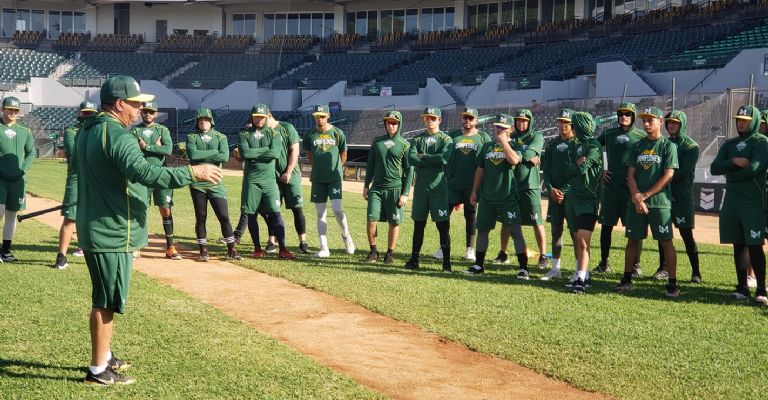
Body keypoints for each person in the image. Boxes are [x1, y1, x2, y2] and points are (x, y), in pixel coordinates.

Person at [76, 75, 222, 385]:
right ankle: (98, 370)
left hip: (97, 224)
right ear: (119, 104)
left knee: (105, 296)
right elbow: (143, 172)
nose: (140, 110)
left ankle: (105, 354)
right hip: (110, 230)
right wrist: (192, 171)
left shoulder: (89, 131)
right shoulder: (117, 135)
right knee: (106, 301)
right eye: (135, 104)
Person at [615, 106, 679, 298]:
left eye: (651, 119)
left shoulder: (668, 146)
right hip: (636, 202)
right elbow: (630, 175)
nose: (646, 123)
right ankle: (627, 279)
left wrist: (644, 196)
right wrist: (636, 196)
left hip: (659, 202)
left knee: (666, 242)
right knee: (633, 240)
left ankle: (672, 283)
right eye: (644, 120)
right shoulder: (638, 145)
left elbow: (668, 175)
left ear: (661, 121)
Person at [709, 105, 768, 305]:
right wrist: (733, 161)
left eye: (745, 120)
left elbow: (755, 168)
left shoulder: (762, 142)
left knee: (755, 245)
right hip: (732, 202)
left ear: (755, 122)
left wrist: (731, 175)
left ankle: (761, 289)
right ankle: (742, 287)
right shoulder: (730, 144)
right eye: (738, 120)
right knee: (738, 244)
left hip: (752, 203)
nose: (741, 123)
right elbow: (715, 167)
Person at [465, 114, 527, 275]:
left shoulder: (517, 145)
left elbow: (514, 160)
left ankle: (523, 268)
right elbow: (480, 169)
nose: (499, 130)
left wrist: (504, 142)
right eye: (498, 127)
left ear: (511, 130)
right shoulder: (487, 147)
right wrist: (474, 191)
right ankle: (478, 265)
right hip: (487, 197)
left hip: (507, 197)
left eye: (503, 128)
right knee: (483, 230)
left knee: (515, 231)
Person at [595, 102, 646, 275]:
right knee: (606, 227)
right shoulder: (608, 134)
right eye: (621, 114)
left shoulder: (641, 136)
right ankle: (604, 263)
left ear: (633, 116)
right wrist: (601, 170)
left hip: (630, 191)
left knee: (634, 229)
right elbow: (592, 149)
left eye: (628, 114)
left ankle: (635, 265)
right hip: (610, 189)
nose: (624, 117)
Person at [239, 104, 295, 260]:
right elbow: (244, 153)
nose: (259, 120)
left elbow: (275, 153)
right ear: (252, 116)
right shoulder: (244, 134)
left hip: (270, 181)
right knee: (251, 214)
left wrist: (254, 153)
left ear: (267, 117)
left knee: (275, 213)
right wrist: (264, 151)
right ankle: (257, 248)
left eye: (262, 117)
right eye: (256, 116)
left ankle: (283, 249)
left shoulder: (274, 133)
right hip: (251, 180)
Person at [651, 110, 701, 283]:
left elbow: (683, 173)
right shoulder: (663, 143)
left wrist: (662, 177)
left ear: (682, 124)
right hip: (664, 195)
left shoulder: (691, 146)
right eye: (669, 122)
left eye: (675, 123)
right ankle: (663, 268)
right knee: (663, 233)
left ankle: (696, 272)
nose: (671, 125)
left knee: (687, 235)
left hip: (681, 196)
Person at [186, 108, 241, 261]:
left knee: (224, 216)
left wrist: (204, 156)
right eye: (200, 119)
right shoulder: (191, 137)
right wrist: (213, 153)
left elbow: (224, 156)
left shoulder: (220, 137)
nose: (203, 121)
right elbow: (193, 155)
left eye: (206, 119)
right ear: (197, 122)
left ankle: (232, 249)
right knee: (201, 217)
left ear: (211, 121)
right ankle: (203, 250)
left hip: (216, 183)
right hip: (197, 184)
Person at [130, 100, 181, 260]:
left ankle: (170, 247)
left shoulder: (162, 129)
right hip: (142, 176)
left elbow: (168, 150)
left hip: (160, 175)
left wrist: (147, 147)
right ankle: (137, 246)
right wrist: (155, 147)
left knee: (165, 210)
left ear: (156, 114)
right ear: (141, 112)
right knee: (139, 210)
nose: (148, 114)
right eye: (145, 111)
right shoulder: (134, 130)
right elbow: (132, 151)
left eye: (151, 112)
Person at [404, 106, 453, 272]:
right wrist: (433, 159)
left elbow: (444, 158)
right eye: (427, 118)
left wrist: (423, 156)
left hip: (439, 191)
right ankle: (414, 259)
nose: (429, 121)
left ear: (439, 120)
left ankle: (446, 263)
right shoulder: (417, 139)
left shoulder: (446, 139)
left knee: (443, 227)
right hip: (420, 191)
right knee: (418, 226)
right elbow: (411, 159)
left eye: (433, 118)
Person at [438, 106, 491, 262]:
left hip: (472, 185)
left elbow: (488, 159)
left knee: (471, 217)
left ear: (476, 120)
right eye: (465, 117)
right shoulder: (452, 136)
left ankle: (469, 248)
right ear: (461, 118)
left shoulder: (483, 137)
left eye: (471, 118)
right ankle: (443, 246)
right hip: (452, 184)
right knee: (443, 217)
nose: (467, 120)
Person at [303, 103, 354, 257]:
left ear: (328, 116)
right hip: (318, 179)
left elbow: (343, 155)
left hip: (334, 179)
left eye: (322, 116)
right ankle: (324, 248)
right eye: (317, 117)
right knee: (321, 213)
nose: (320, 120)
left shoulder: (338, 133)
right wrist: (318, 169)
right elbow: (309, 156)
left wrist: (336, 169)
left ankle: (346, 235)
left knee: (337, 210)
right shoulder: (310, 134)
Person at [362, 110, 413, 264]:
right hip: (376, 189)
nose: (391, 126)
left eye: (394, 123)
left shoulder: (405, 145)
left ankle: (389, 254)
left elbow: (409, 171)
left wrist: (405, 193)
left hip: (395, 189)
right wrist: (366, 186)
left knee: (394, 222)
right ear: (385, 123)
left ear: (399, 124)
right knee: (372, 219)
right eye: (389, 122)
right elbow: (370, 165)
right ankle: (373, 251)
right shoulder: (377, 142)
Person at [53, 100, 96, 269]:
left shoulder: (98, 131)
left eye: (91, 113)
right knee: (70, 218)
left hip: (95, 179)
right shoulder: (72, 131)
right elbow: (74, 155)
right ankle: (61, 256)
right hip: (77, 179)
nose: (88, 116)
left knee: (94, 217)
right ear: (79, 114)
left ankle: (88, 249)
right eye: (85, 113)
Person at [563, 112, 603, 292]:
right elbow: (570, 168)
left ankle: (580, 279)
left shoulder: (593, 146)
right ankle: (583, 274)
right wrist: (575, 165)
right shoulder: (578, 146)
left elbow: (582, 169)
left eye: (574, 124)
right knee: (575, 238)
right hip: (573, 197)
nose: (572, 128)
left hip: (589, 200)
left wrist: (576, 166)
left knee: (582, 239)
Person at [540, 109, 578, 281]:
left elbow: (579, 173)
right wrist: (551, 188)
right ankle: (555, 268)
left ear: (572, 125)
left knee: (575, 232)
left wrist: (565, 190)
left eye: (566, 122)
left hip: (572, 196)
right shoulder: (552, 145)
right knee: (556, 230)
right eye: (560, 122)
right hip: (554, 195)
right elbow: (546, 171)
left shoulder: (578, 144)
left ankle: (579, 269)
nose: (563, 125)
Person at [264, 112, 309, 254]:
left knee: (297, 208)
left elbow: (294, 151)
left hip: (291, 176)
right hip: (272, 176)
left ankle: (303, 241)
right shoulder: (263, 132)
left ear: (269, 116)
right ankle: (272, 241)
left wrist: (288, 172)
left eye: (262, 119)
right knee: (272, 210)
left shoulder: (287, 127)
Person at [511, 109, 547, 271]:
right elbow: (525, 157)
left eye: (524, 120)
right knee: (508, 221)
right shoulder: (510, 137)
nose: (521, 123)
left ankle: (543, 255)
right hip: (511, 185)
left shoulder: (536, 136)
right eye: (518, 120)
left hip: (530, 185)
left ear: (530, 121)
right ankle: (503, 253)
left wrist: (519, 156)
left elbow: (527, 155)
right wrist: (524, 156)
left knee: (537, 221)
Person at [0, 96, 34, 263]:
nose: (12, 112)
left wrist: (23, 169)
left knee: (12, 215)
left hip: (18, 180)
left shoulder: (25, 132)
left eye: (15, 110)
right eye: (9, 109)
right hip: (0, 179)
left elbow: (31, 153)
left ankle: (6, 251)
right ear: (3, 109)